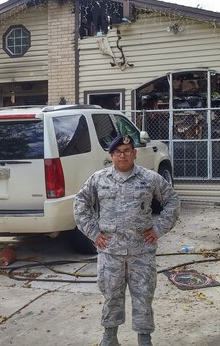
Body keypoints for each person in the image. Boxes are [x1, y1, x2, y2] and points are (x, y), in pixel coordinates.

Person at [74, 134, 180, 346]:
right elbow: (80, 204)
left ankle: (144, 338)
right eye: (117, 152)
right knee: (111, 296)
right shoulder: (99, 179)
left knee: (143, 297)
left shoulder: (150, 179)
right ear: (111, 155)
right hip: (110, 253)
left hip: (141, 252)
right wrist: (94, 233)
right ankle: (110, 337)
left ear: (134, 153)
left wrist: (158, 229)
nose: (122, 155)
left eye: (126, 151)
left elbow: (172, 201)